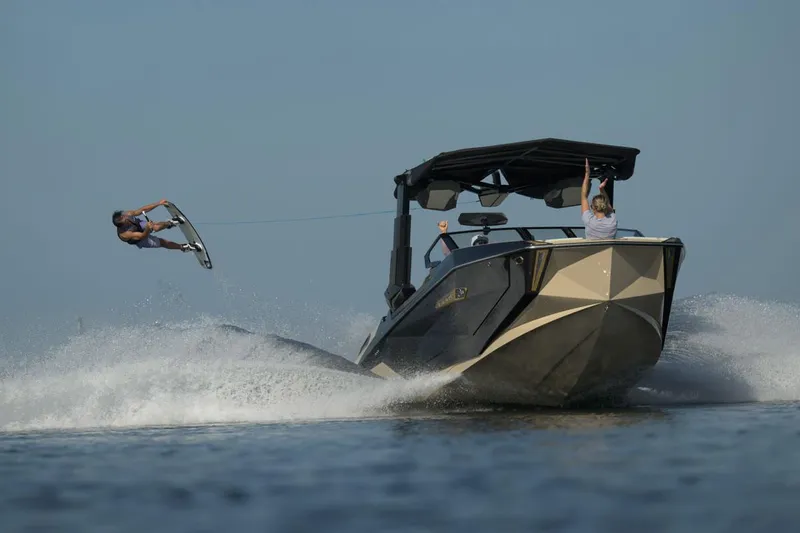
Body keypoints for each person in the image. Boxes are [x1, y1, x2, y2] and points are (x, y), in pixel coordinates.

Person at [112, 199, 201, 252]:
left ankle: (171, 223)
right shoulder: (124, 234)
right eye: (126, 221)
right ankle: (184, 247)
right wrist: (148, 228)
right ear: (121, 225)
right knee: (162, 242)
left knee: (155, 227)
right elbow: (143, 235)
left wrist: (159, 203)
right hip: (140, 239)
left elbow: (143, 209)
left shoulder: (127, 214)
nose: (127, 218)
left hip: (139, 225)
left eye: (125, 217)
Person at [580, 158, 617, 239]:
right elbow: (608, 205)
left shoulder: (589, 221)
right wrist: (601, 189)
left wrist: (587, 174)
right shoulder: (612, 221)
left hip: (592, 251)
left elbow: (584, 196)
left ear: (593, 207)